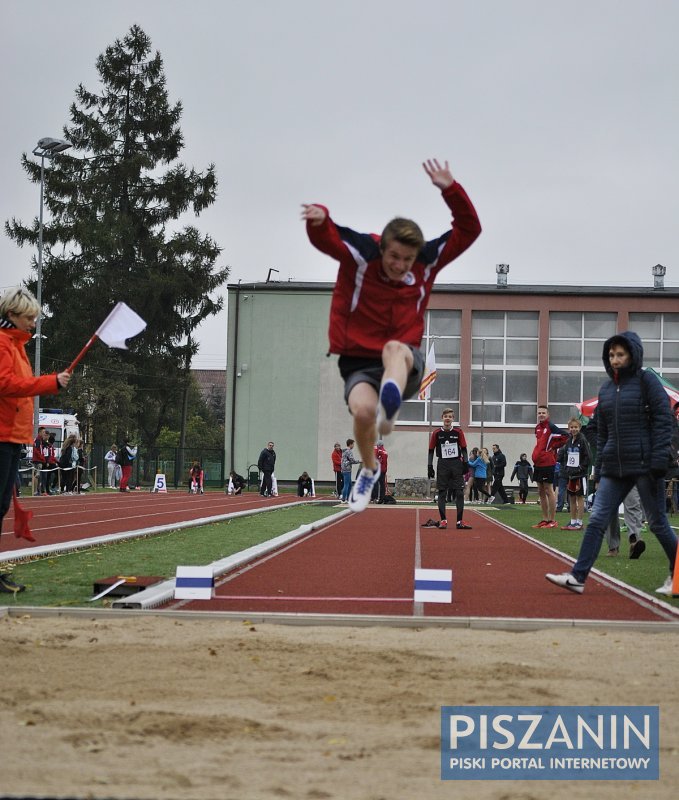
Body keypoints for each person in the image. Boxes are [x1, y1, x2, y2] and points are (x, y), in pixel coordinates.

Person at [302, 158, 481, 512]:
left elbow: (469, 229)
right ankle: (370, 468)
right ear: (381, 248)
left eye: (407, 259)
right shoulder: (362, 253)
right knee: (363, 412)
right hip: (357, 358)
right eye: (394, 257)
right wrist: (318, 217)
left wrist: (451, 189)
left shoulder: (427, 261)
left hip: (404, 360)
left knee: (395, 349)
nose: (400, 266)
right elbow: (329, 236)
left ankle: (391, 397)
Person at [546, 331, 678, 595]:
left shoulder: (647, 382)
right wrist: (603, 456)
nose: (615, 359)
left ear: (633, 355)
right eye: (611, 355)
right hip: (614, 468)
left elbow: (665, 422)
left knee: (657, 524)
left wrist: (658, 459)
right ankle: (577, 577)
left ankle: (677, 576)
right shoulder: (606, 388)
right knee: (597, 520)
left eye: (620, 354)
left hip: (645, 466)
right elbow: (598, 427)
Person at [0, 287, 71, 592]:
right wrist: (50, 382)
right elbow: (7, 384)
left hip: (14, 435)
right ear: (11, 314)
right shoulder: (3, 344)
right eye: (29, 318)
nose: (33, 324)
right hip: (2, 435)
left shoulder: (18, 346)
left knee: (1, 504)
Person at [427, 407, 471, 529]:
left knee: (459, 492)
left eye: (450, 417)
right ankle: (443, 521)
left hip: (456, 463)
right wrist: (429, 466)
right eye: (445, 416)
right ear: (442, 418)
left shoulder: (458, 432)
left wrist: (465, 463)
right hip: (443, 464)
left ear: (453, 419)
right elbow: (431, 450)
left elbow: (464, 449)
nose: (447, 419)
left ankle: (459, 521)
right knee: (442, 492)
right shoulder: (436, 433)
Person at [531, 405, 568, 529]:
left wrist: (553, 447)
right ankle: (544, 519)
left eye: (543, 413)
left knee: (548, 490)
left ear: (548, 414)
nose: (541, 414)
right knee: (540, 491)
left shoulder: (551, 426)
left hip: (548, 463)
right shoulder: (537, 428)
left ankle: (553, 520)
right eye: (539, 413)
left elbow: (565, 437)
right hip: (538, 463)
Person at [558, 418, 592, 531]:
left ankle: (579, 522)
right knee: (571, 497)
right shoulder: (569, 441)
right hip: (570, 474)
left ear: (580, 427)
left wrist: (581, 468)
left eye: (575, 427)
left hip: (579, 475)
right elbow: (565, 455)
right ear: (569, 428)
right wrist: (566, 467)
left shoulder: (582, 440)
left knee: (579, 497)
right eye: (571, 427)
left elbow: (588, 457)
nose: (573, 429)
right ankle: (572, 522)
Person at [32, 426, 49, 496]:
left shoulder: (41, 440)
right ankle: (35, 491)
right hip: (37, 460)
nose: (44, 433)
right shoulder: (37, 440)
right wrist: (42, 458)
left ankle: (38, 491)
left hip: (40, 460)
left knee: (39, 476)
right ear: (39, 433)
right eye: (43, 432)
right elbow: (36, 451)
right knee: (37, 475)